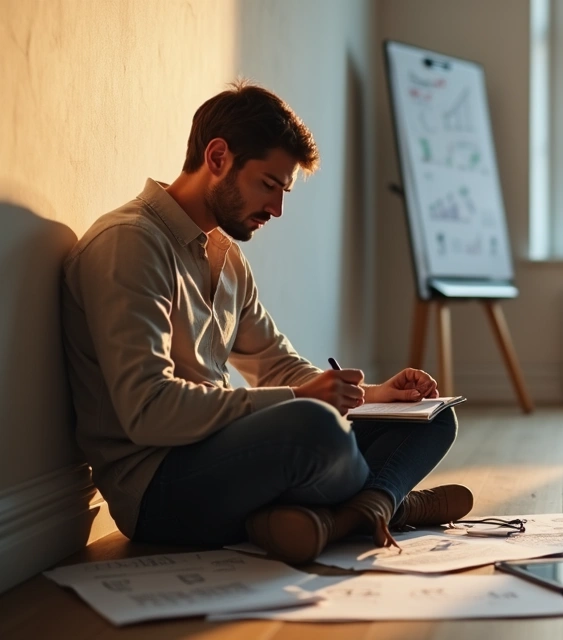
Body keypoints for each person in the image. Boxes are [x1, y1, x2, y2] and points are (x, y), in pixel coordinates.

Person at [61, 81, 473, 563]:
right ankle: (391, 502)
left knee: (434, 418)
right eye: (268, 185)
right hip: (161, 490)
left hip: (230, 457)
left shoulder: (226, 258)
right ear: (217, 158)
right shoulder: (129, 244)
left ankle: (354, 512)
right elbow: (149, 410)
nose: (276, 209)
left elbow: (278, 367)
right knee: (314, 428)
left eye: (283, 191)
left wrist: (378, 397)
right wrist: (303, 400)